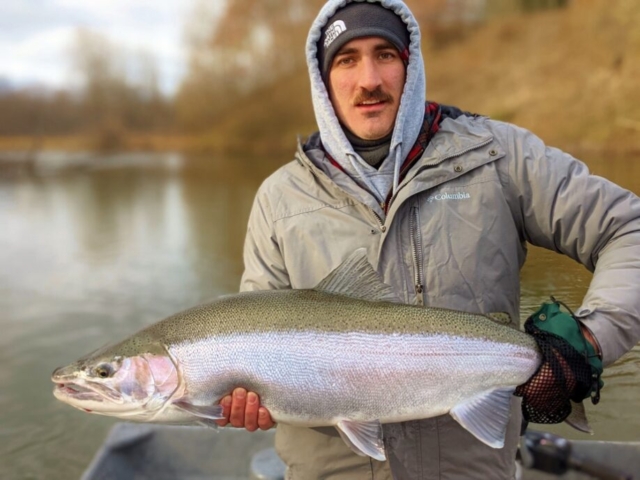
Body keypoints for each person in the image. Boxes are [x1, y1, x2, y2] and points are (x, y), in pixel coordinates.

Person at [215, 0, 640, 478]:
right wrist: (245, 397)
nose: (368, 79)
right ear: (322, 79)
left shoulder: (501, 158)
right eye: (347, 60)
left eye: (385, 55)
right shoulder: (278, 199)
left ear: (410, 65)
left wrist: (592, 337)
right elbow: (253, 334)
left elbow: (629, 228)